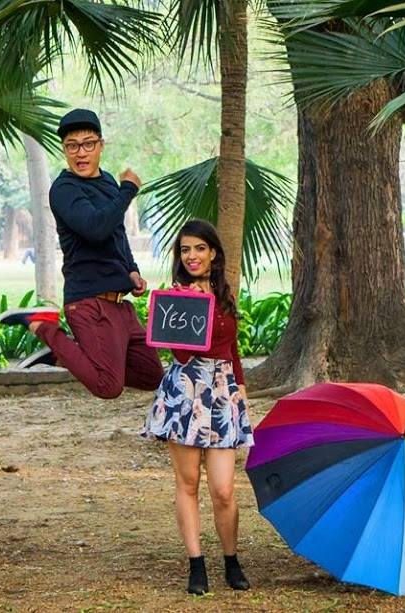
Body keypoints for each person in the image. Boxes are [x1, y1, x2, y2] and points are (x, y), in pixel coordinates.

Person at [0, 108, 164, 396]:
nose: (81, 153)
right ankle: (42, 327)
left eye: (88, 144)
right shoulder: (64, 189)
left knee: (151, 375)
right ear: (64, 150)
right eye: (72, 146)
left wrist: (132, 269)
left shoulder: (107, 181)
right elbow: (95, 228)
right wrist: (127, 190)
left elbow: (116, 232)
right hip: (89, 303)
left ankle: (62, 355)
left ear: (101, 145)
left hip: (120, 305)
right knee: (108, 386)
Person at [140, 219, 253, 595]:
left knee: (223, 489)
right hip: (185, 393)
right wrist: (187, 305)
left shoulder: (224, 292)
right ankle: (196, 565)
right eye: (185, 249)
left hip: (222, 394)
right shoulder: (175, 297)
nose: (192, 256)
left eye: (199, 248)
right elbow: (182, 354)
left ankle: (231, 560)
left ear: (213, 253)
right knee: (187, 484)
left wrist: (240, 389)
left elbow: (232, 347)